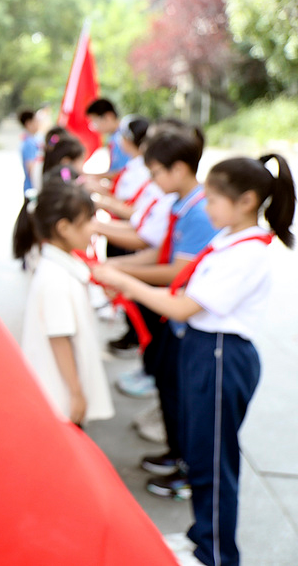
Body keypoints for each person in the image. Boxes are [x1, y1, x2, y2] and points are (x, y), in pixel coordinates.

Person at [94, 154, 296, 566]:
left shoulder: (248, 252)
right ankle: (202, 536)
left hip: (221, 354)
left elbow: (184, 306)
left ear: (246, 201)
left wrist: (125, 280)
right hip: (205, 349)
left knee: (213, 461)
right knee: (202, 452)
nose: (207, 208)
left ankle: (216, 553)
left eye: (214, 200)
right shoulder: (230, 239)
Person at [96, 128, 218, 501]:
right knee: (168, 385)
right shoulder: (180, 203)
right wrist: (120, 268)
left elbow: (176, 270)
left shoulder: (200, 211)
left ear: (178, 169)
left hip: (188, 319)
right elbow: (160, 253)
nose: (152, 181)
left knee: (185, 397)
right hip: (174, 318)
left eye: (156, 173)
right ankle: (176, 453)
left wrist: (125, 278)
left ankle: (187, 467)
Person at [12, 178, 113, 426]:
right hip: (59, 392)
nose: (94, 228)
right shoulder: (54, 279)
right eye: (87, 221)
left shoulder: (61, 264)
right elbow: (59, 338)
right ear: (64, 228)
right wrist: (76, 393)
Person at [85, 98, 128, 178]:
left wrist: (94, 176)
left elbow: (124, 172)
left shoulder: (125, 137)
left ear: (108, 116)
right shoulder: (113, 137)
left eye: (95, 121)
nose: (94, 127)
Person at [18, 109, 41, 195]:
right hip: (32, 189)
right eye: (36, 121)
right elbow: (31, 169)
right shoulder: (29, 143)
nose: (38, 123)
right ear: (29, 123)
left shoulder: (33, 140)